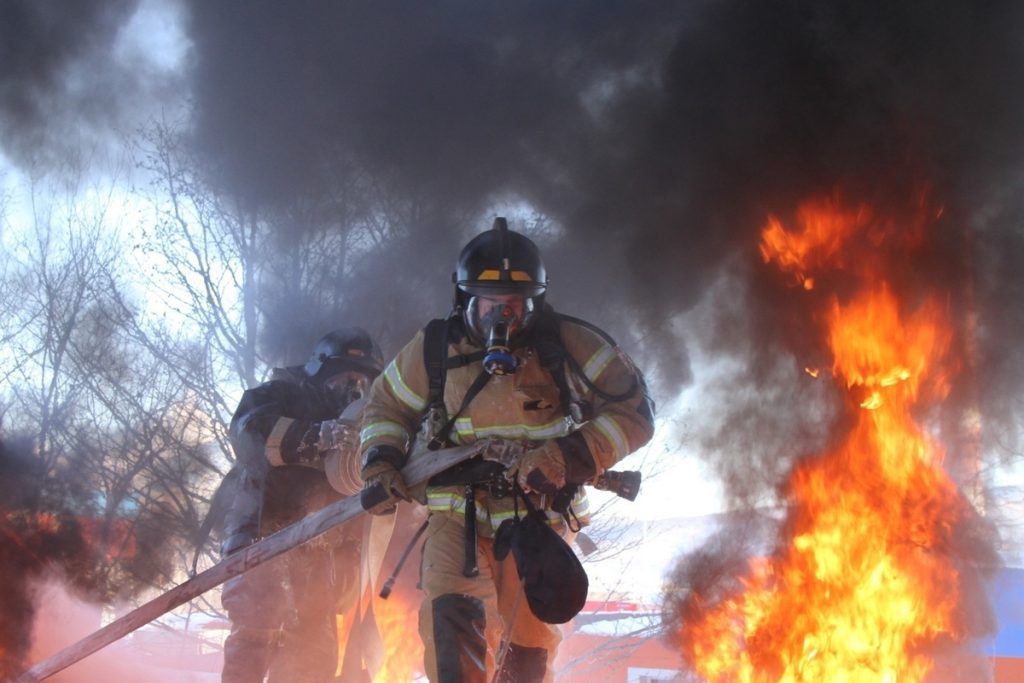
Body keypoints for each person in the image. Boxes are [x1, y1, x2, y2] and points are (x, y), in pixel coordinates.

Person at [358, 218, 655, 683]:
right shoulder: (434, 348)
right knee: (452, 626)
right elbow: (386, 405)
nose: (502, 318)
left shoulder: (570, 344)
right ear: (465, 300)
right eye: (490, 305)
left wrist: (564, 457)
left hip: (541, 514)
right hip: (458, 512)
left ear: (533, 304)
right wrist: (380, 461)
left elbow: (635, 413)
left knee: (528, 650)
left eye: (514, 306)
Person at [220, 327, 384, 683]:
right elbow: (248, 433)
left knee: (313, 653)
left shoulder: (365, 429)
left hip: (320, 553)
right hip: (262, 536)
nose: (355, 387)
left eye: (363, 379)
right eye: (347, 375)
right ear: (321, 370)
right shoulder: (280, 395)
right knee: (255, 634)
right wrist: (314, 436)